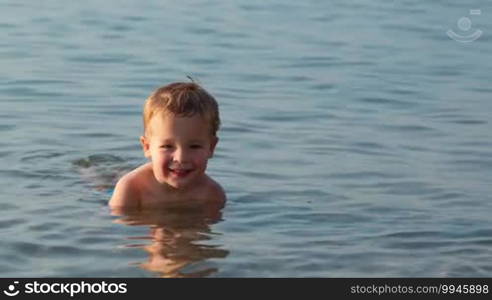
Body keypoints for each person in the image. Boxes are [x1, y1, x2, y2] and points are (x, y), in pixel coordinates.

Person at [109, 81, 226, 209]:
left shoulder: (212, 195)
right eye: (167, 146)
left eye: (194, 146)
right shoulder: (132, 189)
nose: (181, 158)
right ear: (147, 147)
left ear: (211, 147)